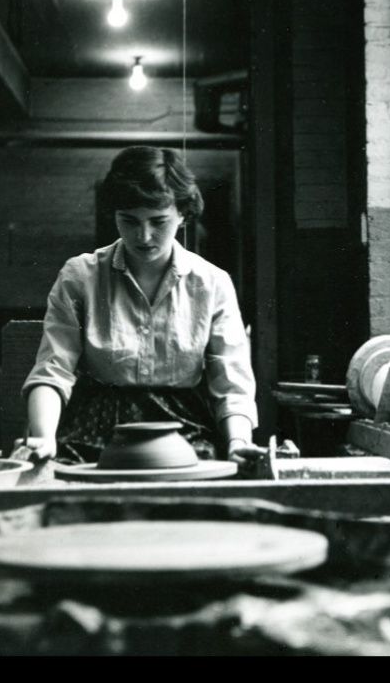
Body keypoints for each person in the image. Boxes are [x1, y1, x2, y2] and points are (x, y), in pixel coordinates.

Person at [19, 146, 260, 465]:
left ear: (183, 215)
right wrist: (43, 438)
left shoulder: (212, 283)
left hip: (184, 427)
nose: (144, 236)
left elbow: (231, 380)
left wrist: (238, 441)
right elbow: (53, 369)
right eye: (129, 221)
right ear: (113, 214)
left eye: (158, 221)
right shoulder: (80, 275)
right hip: (93, 425)